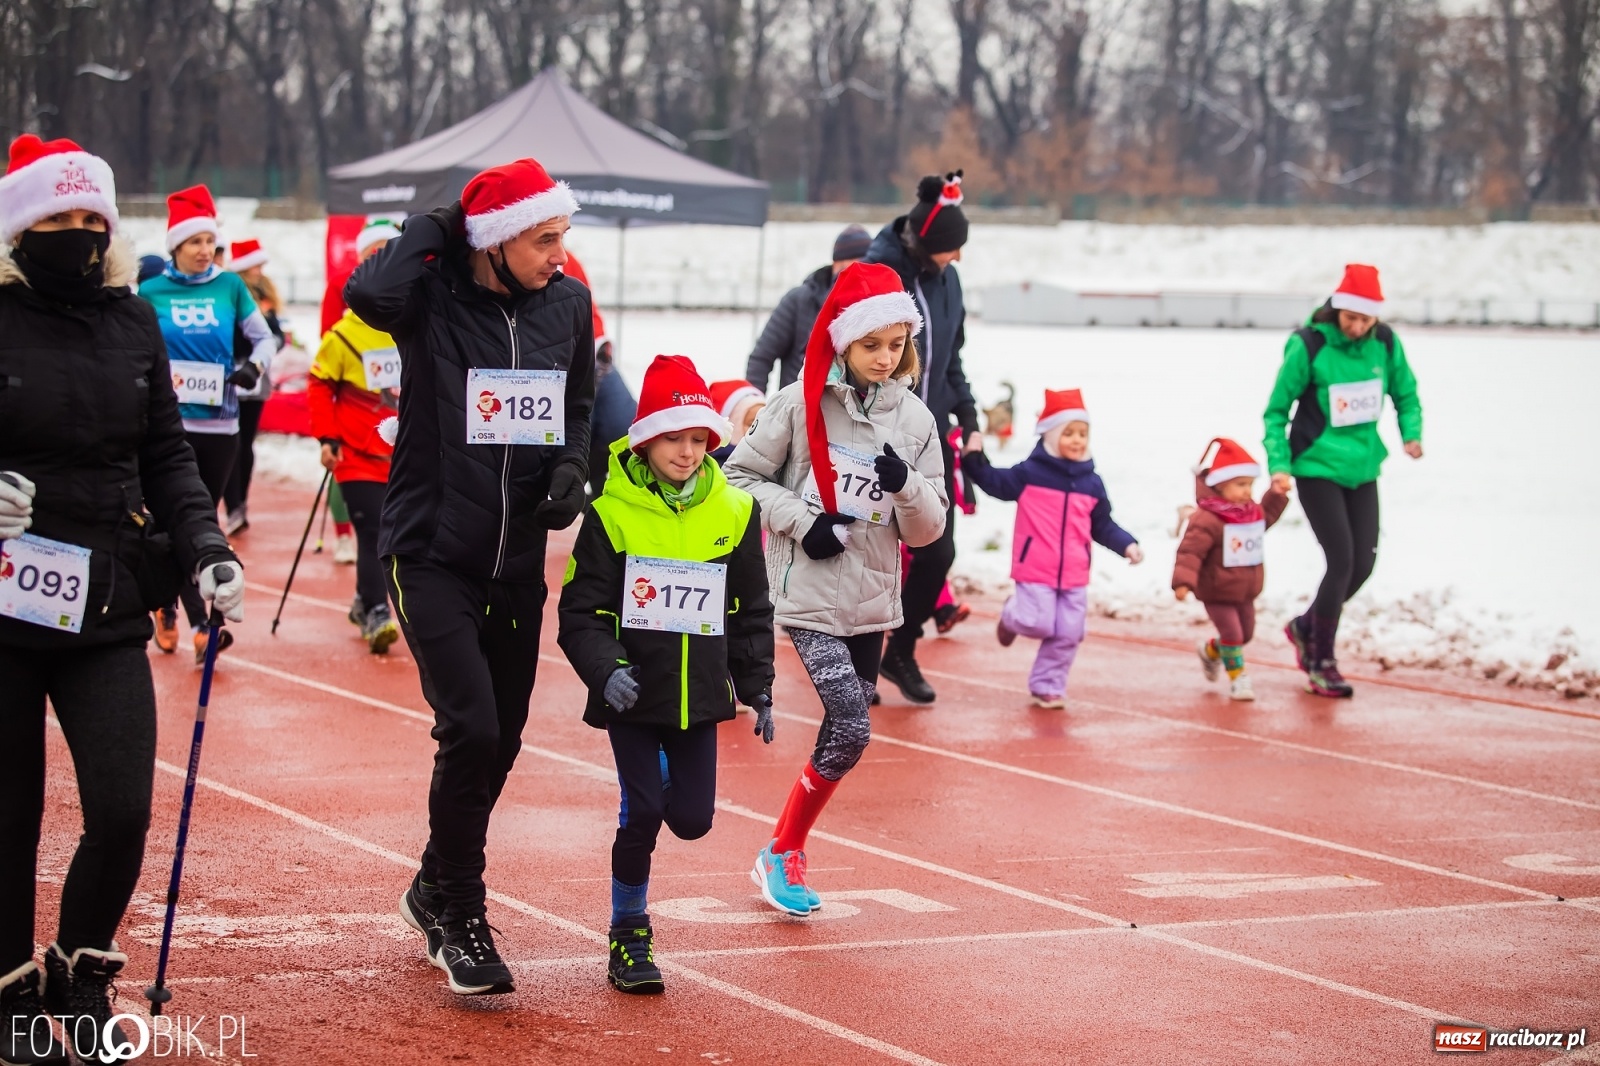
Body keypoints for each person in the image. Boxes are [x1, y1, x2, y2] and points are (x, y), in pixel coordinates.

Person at [0, 134, 242, 1066]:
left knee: (123, 810)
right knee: (10, 818)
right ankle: (11, 998)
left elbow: (168, 455)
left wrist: (207, 549)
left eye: (89, 217)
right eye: (55, 218)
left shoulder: (134, 319)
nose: (76, 233)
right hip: (1, 608)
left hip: (102, 598)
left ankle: (80, 971)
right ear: (21, 227)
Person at [345, 157, 595, 996]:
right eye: (543, 238)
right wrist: (447, 221)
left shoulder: (567, 303)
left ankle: (430, 884)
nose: (560, 254)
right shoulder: (430, 298)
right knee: (473, 730)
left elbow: (578, 401)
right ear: (494, 240)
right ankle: (460, 914)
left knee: (505, 738)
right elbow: (367, 294)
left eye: (563, 236)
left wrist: (571, 465)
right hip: (430, 550)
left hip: (516, 560)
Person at [725, 262, 947, 915]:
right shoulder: (798, 402)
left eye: (896, 344)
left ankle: (781, 846)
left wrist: (906, 485)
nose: (885, 358)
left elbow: (928, 531)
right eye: (871, 344)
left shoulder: (916, 420)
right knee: (851, 719)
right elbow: (740, 478)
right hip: (807, 592)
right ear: (843, 341)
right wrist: (804, 522)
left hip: (873, 601)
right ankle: (786, 851)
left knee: (847, 734)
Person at [559, 355, 775, 993]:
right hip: (632, 697)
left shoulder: (736, 512)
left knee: (693, 820)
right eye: (674, 438)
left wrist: (758, 685)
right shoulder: (609, 514)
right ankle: (629, 933)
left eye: (698, 439)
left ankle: (655, 782)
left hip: (699, 699)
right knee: (643, 814)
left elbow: (751, 609)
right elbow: (580, 614)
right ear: (645, 440)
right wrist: (606, 671)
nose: (687, 452)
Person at [1263, 264, 1422, 698]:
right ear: (1336, 310)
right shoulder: (1309, 345)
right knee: (1341, 561)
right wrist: (1279, 465)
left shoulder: (1384, 343)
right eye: (1350, 318)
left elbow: (1405, 393)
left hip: (1363, 468)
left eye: (1365, 320)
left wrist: (1411, 434)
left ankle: (1305, 627)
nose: (1357, 327)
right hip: (1316, 466)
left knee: (1363, 564)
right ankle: (1322, 660)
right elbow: (1275, 412)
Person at [137, 185, 275, 662]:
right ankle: (193, 621)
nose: (203, 250)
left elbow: (265, 340)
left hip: (220, 426)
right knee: (166, 517)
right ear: (175, 244)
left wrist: (252, 368)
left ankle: (172, 606)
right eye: (194, 241)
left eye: (210, 242)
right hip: (167, 426)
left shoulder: (230, 287)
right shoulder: (151, 292)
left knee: (200, 520)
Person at [864, 172, 981, 704]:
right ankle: (857, 666)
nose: (957, 257)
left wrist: (970, 420)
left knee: (937, 552)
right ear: (926, 242)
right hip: (874, 437)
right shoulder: (880, 276)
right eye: (951, 247)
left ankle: (901, 650)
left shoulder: (947, 280)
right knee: (867, 558)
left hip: (930, 439)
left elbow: (951, 361)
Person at [962, 389, 1142, 709]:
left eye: (1082, 434)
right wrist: (974, 460)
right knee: (1037, 622)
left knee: (1069, 633)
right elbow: (995, 483)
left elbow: (1102, 525)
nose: (1077, 440)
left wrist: (1127, 544)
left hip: (1074, 573)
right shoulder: (1031, 474)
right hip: (1035, 567)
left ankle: (1048, 685)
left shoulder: (1092, 483)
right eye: (1069, 433)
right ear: (1052, 435)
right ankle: (1011, 616)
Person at [308, 221, 403, 653]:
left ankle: (365, 600)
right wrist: (327, 436)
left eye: (390, 253)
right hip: (357, 451)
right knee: (374, 532)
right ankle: (378, 610)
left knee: (401, 534)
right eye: (373, 255)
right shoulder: (344, 334)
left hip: (405, 452)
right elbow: (319, 383)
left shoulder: (417, 322)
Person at [1172, 438, 1290, 701]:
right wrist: (1183, 582)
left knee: (1245, 634)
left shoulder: (1250, 513)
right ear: (1221, 485)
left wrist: (1276, 495)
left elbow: (1267, 516)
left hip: (1244, 590)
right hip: (1216, 590)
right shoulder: (1207, 518)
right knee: (1233, 635)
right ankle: (1239, 679)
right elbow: (1191, 551)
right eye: (1240, 485)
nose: (1247, 491)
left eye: (1250, 485)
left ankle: (1210, 651)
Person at [744, 224, 871, 392]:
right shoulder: (798, 301)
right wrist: (755, 404)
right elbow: (761, 359)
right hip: (799, 404)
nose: (862, 272)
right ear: (837, 263)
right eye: (856, 263)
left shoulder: (874, 305)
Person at [222, 238, 287, 535]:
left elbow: (276, 335)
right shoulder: (229, 293)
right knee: (230, 443)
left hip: (257, 378)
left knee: (246, 442)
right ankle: (232, 504)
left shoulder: (266, 295)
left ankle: (241, 503)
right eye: (255, 265)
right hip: (232, 376)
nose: (260, 270)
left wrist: (269, 345)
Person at [707, 379, 765, 464]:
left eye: (764, 422)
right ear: (733, 426)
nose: (760, 429)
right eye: (751, 424)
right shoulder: (718, 465)